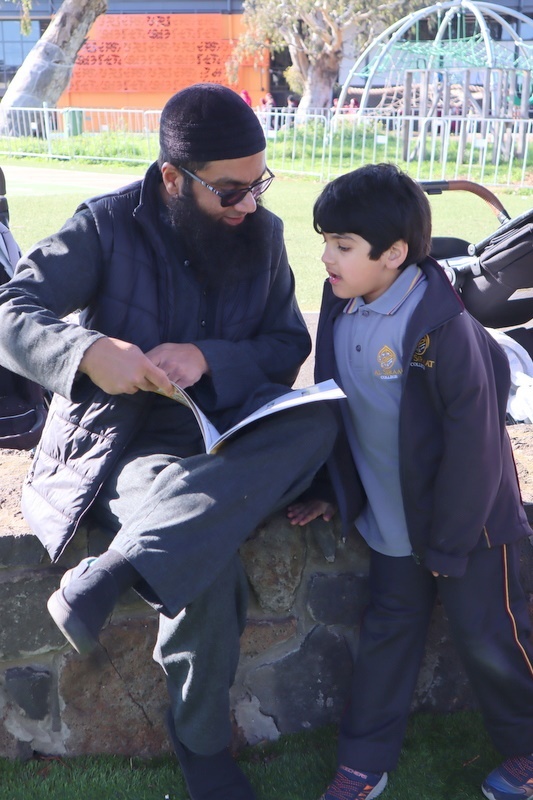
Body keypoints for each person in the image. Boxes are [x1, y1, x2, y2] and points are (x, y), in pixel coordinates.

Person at [0, 83, 336, 800]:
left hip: (230, 436)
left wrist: (209, 355)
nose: (249, 204)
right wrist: (89, 351)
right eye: (230, 190)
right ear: (172, 179)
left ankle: (119, 565)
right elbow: (10, 311)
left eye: (258, 183)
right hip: (125, 445)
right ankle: (204, 748)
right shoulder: (105, 225)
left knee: (319, 420)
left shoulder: (265, 234)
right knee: (202, 560)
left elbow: (285, 344)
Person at [287, 163, 533, 800]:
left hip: (470, 530)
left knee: (490, 640)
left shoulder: (444, 328)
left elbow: (475, 448)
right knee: (388, 637)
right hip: (391, 525)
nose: (326, 258)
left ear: (394, 253)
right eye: (325, 242)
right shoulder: (339, 307)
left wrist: (451, 544)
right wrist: (331, 491)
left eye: (342, 246)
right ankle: (364, 762)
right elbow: (335, 406)